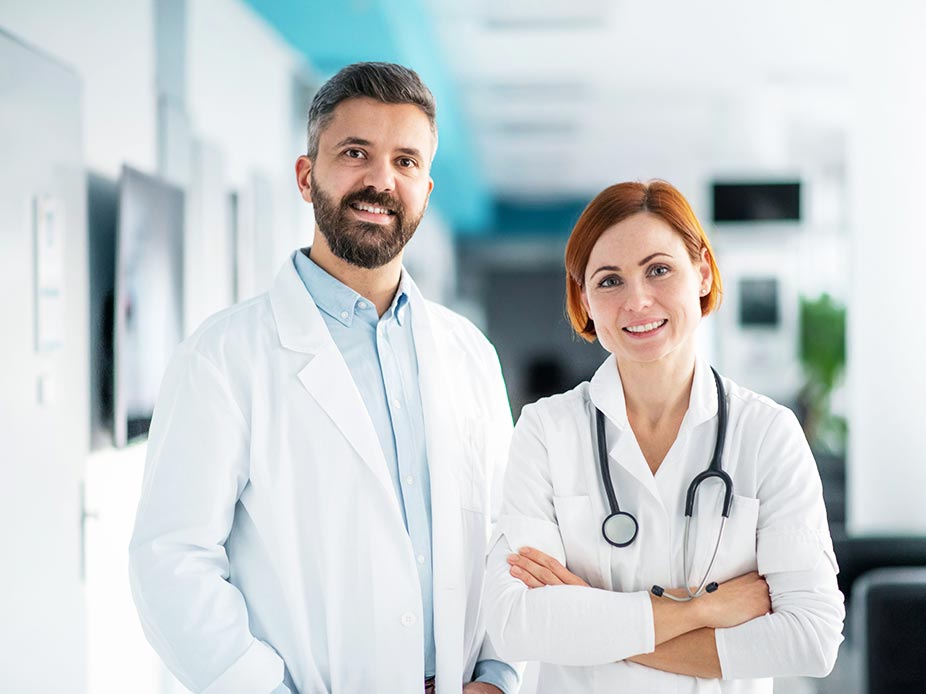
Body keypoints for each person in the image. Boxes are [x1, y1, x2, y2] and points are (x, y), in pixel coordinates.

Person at [129, 62, 518, 694]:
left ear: (425, 187)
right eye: (355, 153)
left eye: (406, 161)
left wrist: (500, 674)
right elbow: (170, 562)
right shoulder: (223, 358)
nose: (380, 181)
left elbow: (509, 532)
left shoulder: (468, 353)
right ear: (307, 177)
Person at [482, 180, 845, 692]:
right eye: (609, 281)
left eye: (659, 270)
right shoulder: (546, 430)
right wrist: (706, 609)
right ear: (583, 300)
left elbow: (812, 637)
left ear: (701, 272)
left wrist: (593, 629)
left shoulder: (766, 433)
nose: (637, 300)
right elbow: (519, 624)